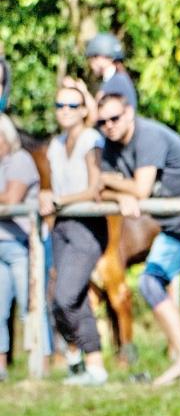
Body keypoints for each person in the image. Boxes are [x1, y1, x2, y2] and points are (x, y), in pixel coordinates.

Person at [97, 92, 180, 385]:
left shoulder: (148, 135)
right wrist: (120, 194)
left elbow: (140, 189)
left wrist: (111, 182)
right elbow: (101, 190)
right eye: (103, 122)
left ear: (129, 113)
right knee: (149, 282)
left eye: (114, 118)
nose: (109, 125)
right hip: (172, 222)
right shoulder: (110, 147)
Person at [40, 83, 108, 384]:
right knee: (65, 298)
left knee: (66, 296)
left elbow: (94, 188)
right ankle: (89, 364)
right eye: (60, 106)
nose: (65, 111)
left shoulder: (91, 139)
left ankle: (87, 360)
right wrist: (47, 198)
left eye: (71, 106)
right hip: (62, 226)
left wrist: (59, 200)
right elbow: (52, 187)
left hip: (87, 225)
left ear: (83, 111)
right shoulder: (55, 145)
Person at [0, 115, 40, 380]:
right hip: (1, 245)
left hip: (21, 244)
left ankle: (40, 366)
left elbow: (12, 198)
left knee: (31, 306)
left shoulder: (20, 160)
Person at [85, 33, 138, 110]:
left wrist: (83, 93)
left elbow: (97, 111)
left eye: (93, 58)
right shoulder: (118, 78)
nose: (91, 64)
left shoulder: (115, 82)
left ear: (102, 57)